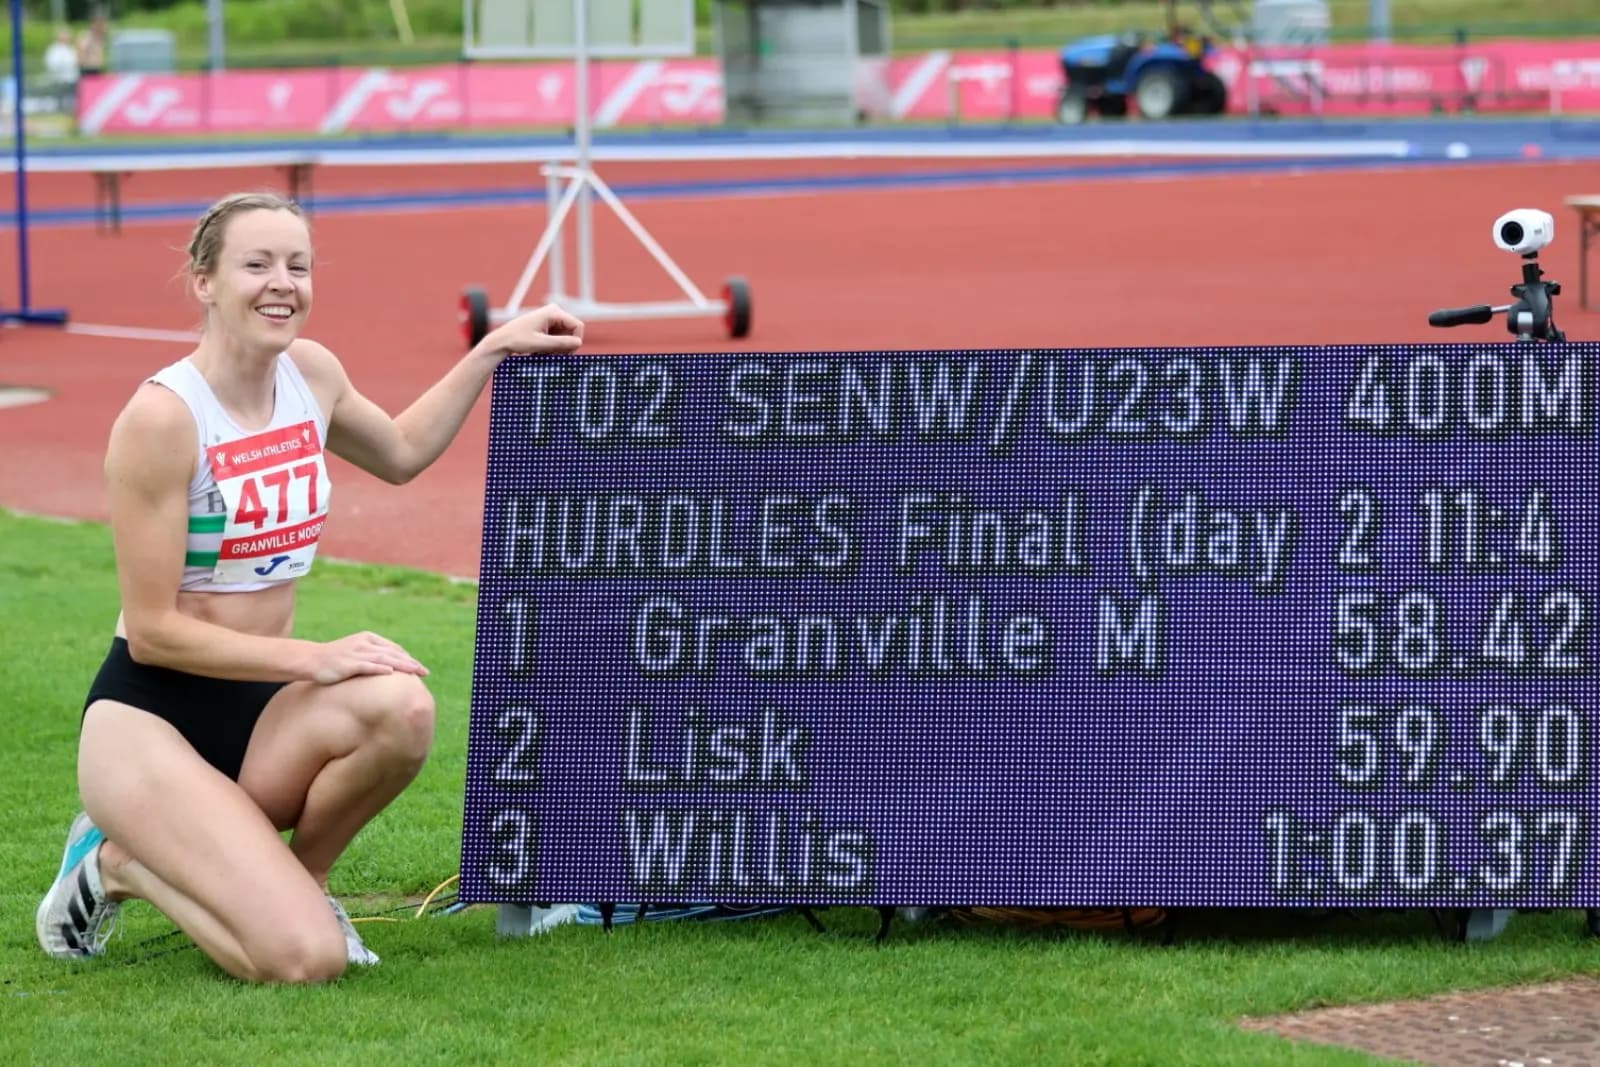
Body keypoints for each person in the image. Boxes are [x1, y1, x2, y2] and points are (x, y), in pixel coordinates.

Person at [34, 190, 584, 983]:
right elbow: (153, 629)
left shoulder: (312, 374)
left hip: (261, 713)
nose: (280, 282)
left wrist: (490, 351)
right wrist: (311, 658)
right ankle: (120, 865)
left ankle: (307, 882)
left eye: (297, 264)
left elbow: (398, 453)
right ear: (204, 281)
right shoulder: (164, 418)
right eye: (255, 264)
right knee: (304, 961)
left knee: (402, 705)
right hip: (150, 717)